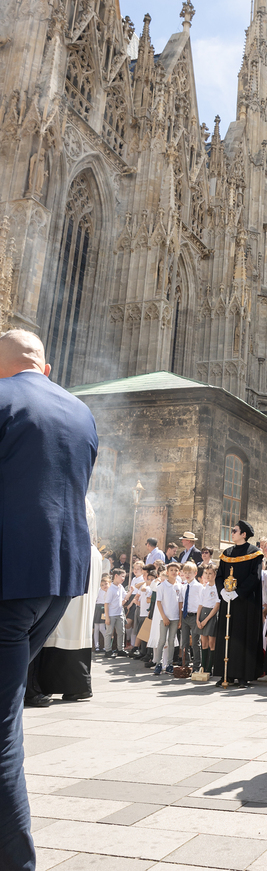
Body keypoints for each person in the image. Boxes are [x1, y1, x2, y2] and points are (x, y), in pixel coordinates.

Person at [0, 329, 98, 871]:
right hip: (58, 584)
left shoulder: (3, 399)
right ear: (46, 366)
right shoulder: (80, 412)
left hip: (8, 580)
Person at [37, 498, 104, 702]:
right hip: (84, 608)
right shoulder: (95, 551)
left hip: (70, 603)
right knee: (78, 634)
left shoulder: (75, 547)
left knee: (61, 633)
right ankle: (79, 686)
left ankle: (50, 684)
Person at [214, 520, 264, 686]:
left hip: (245, 602)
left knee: (243, 637)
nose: (232, 533)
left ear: (243, 534)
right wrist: (222, 591)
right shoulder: (227, 553)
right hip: (227, 600)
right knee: (226, 635)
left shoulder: (255, 553)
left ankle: (243, 675)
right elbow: (219, 575)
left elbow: (255, 577)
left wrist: (238, 593)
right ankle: (226, 674)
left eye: (235, 530)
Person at [153, 561, 183, 675]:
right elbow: (159, 602)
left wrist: (180, 619)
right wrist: (164, 617)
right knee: (162, 640)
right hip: (164, 617)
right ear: (167, 572)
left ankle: (169, 664)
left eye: (176, 570)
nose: (173, 572)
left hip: (175, 617)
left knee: (171, 640)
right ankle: (158, 663)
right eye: (171, 570)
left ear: (178, 572)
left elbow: (180, 603)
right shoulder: (162, 586)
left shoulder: (179, 586)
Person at [179, 561, 203, 671]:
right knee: (184, 642)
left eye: (190, 572)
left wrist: (199, 618)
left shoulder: (199, 587)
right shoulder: (183, 586)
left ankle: (197, 665)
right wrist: (181, 618)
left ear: (195, 573)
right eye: (185, 572)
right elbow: (182, 603)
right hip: (185, 616)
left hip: (194, 616)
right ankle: (185, 664)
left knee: (195, 642)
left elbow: (201, 603)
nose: (187, 575)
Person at [197, 566, 220, 673]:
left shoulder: (217, 588)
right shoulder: (204, 588)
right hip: (203, 614)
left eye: (210, 573)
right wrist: (198, 619)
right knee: (203, 642)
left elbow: (217, 605)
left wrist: (206, 620)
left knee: (211, 643)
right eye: (206, 573)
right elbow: (200, 604)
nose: (208, 575)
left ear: (215, 575)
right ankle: (203, 666)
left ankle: (210, 667)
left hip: (211, 615)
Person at [104, 569, 128, 657]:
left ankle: (120, 649)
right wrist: (107, 617)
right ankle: (108, 650)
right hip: (111, 614)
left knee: (121, 632)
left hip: (120, 613)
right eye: (122, 576)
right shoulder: (111, 589)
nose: (123, 579)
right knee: (109, 633)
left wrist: (132, 591)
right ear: (116, 576)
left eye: (124, 577)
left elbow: (125, 596)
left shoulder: (120, 587)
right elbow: (106, 604)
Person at [93, 575, 110, 652]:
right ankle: (96, 646)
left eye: (106, 584)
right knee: (96, 628)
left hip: (104, 609)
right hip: (97, 608)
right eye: (102, 585)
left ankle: (107, 645)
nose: (104, 586)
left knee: (102, 628)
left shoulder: (109, 591)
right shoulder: (98, 590)